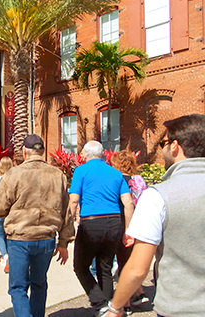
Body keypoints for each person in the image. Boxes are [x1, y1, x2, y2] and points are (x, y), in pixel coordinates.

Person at [105, 114, 205, 317]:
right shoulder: (148, 189)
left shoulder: (159, 195)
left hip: (181, 307)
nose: (163, 150)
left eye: (163, 143)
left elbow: (137, 269)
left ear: (175, 146)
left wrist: (115, 308)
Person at [0, 134, 74, 317]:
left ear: (24, 151)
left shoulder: (13, 174)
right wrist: (63, 243)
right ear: (42, 151)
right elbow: (66, 212)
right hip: (46, 238)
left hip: (20, 238)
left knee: (18, 287)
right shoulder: (57, 175)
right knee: (39, 284)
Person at [69, 141, 134, 315]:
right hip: (114, 222)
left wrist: (70, 221)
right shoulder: (116, 173)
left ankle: (100, 303)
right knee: (104, 266)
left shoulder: (81, 171)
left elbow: (74, 200)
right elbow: (128, 203)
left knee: (80, 266)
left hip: (91, 222)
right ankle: (108, 308)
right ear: (103, 154)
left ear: (85, 154)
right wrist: (127, 229)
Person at [110, 150, 148, 313]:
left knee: (122, 263)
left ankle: (125, 303)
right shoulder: (139, 180)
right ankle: (139, 292)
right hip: (141, 224)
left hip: (123, 224)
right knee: (131, 260)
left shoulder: (117, 180)